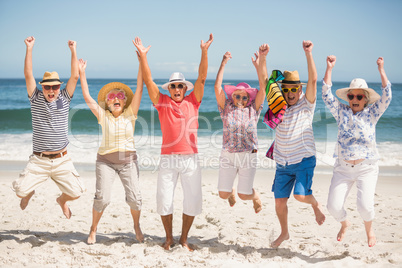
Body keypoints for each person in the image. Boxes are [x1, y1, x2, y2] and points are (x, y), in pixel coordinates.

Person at [133, 34, 213, 251]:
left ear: (185, 89)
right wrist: (143, 56)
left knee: (193, 199)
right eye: (173, 86)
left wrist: (204, 51)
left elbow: (203, 77)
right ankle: (169, 238)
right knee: (164, 199)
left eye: (180, 86)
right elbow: (148, 81)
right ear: (168, 89)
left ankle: (184, 239)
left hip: (190, 159)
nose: (177, 89)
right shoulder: (162, 102)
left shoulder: (193, 101)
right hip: (168, 159)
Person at [259, 41, 326, 248]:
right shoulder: (277, 104)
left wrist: (309, 53)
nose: (290, 93)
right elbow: (264, 82)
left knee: (299, 195)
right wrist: (263, 58)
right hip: (282, 162)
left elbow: (314, 80)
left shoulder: (307, 103)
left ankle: (315, 204)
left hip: (304, 159)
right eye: (286, 89)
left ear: (299, 90)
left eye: (294, 89)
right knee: (279, 202)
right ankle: (285, 233)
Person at [12, 36, 86, 219]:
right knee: (20, 191)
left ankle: (62, 200)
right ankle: (29, 193)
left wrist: (73, 50)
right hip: (39, 161)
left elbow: (75, 76)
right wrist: (29, 48)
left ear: (59, 87)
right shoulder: (35, 98)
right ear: (42, 88)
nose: (51, 91)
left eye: (54, 87)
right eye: (47, 87)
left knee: (77, 192)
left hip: (62, 160)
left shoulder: (64, 99)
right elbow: (28, 75)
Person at [322, 56, 391, 247]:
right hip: (342, 168)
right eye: (351, 96)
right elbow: (326, 94)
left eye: (359, 96)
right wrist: (329, 68)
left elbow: (387, 96)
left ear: (366, 99)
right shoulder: (340, 111)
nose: (354, 99)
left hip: (366, 168)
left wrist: (381, 69)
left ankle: (369, 231)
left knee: (365, 208)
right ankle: (345, 224)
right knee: (333, 207)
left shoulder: (372, 114)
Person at [78, 56, 144, 244]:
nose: (116, 99)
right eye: (112, 97)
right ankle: (93, 229)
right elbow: (87, 96)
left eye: (120, 97)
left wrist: (141, 61)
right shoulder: (102, 116)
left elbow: (140, 87)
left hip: (128, 162)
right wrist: (82, 73)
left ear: (125, 103)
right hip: (105, 162)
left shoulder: (131, 114)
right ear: (107, 104)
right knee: (103, 198)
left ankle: (137, 226)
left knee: (135, 199)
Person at [213, 45, 269, 213]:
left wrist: (258, 66)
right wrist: (223, 63)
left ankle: (256, 196)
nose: (241, 98)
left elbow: (264, 86)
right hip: (228, 155)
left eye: (245, 97)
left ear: (248, 98)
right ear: (232, 96)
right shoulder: (226, 108)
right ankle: (230, 192)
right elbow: (217, 88)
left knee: (244, 195)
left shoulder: (254, 109)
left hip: (248, 156)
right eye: (237, 95)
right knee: (223, 194)